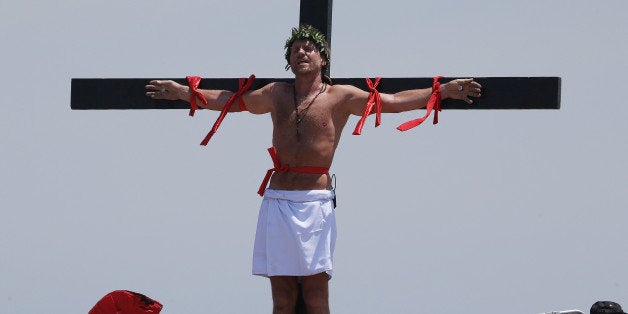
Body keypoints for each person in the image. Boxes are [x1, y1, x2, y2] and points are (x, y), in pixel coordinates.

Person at [145, 25, 481, 314]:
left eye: (309, 48)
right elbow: (230, 101)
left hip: (314, 202)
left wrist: (442, 90)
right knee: (282, 300)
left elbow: (392, 102)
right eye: (295, 50)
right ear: (288, 60)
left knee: (317, 296)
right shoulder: (275, 93)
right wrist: (183, 93)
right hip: (276, 200)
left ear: (322, 58)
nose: (301, 53)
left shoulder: (340, 96)